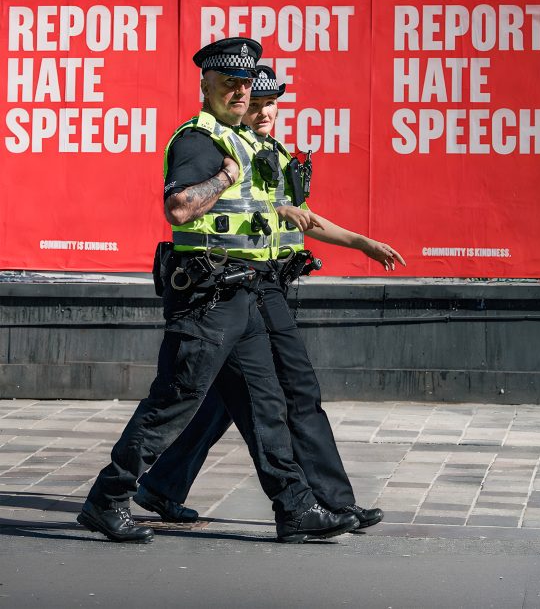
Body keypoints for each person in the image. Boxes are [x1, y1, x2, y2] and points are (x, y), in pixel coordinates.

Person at [77, 38, 360, 544]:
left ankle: (294, 507)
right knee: (175, 401)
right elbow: (180, 208)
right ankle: (108, 498)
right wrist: (225, 176)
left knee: (264, 405)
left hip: (245, 294)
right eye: (228, 81)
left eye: (244, 83)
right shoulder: (198, 141)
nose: (238, 91)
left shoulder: (244, 140)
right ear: (205, 83)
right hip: (207, 297)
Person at [133, 65, 405, 529]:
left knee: (233, 398)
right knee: (288, 394)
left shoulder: (268, 152)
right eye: (252, 103)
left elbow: (298, 216)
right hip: (238, 285)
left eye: (268, 104)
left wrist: (360, 242)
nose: (261, 112)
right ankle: (324, 502)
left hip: (262, 283)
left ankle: (162, 484)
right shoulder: (216, 144)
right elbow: (195, 207)